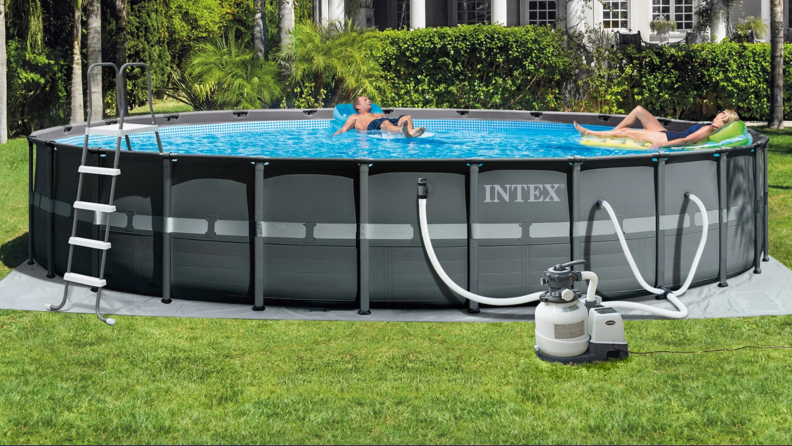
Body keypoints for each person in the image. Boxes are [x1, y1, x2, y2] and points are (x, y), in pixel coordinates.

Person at [574, 106, 740, 149]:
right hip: (666, 133)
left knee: (626, 132)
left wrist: (662, 145)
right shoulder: (711, 128)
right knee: (639, 111)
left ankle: (590, 133)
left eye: (720, 112)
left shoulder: (710, 128)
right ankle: (611, 132)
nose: (718, 113)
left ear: (724, 117)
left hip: (665, 138)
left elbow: (686, 141)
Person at [332, 96, 426, 137]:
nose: (369, 101)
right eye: (365, 100)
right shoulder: (355, 117)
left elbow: (386, 119)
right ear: (358, 106)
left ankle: (408, 134)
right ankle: (402, 130)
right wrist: (333, 135)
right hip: (373, 124)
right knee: (385, 122)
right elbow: (343, 129)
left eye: (368, 99)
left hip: (384, 121)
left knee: (407, 117)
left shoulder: (377, 114)